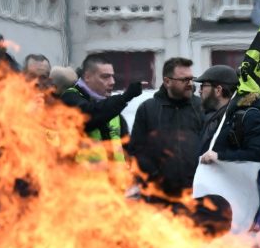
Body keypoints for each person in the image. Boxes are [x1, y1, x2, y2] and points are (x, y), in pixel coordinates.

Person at [128, 57, 204, 198]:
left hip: (196, 193)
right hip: (159, 194)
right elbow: (135, 149)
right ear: (167, 81)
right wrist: (154, 176)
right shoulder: (148, 108)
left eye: (191, 78)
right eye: (184, 80)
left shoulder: (201, 107)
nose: (190, 83)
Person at [61, 54, 142, 183]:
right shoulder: (70, 98)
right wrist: (125, 97)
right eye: (105, 77)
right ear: (87, 77)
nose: (112, 82)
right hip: (85, 190)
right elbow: (89, 116)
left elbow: (127, 149)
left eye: (112, 76)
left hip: (116, 188)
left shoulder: (110, 107)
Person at [197, 65, 260, 163]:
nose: (199, 90)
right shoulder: (213, 118)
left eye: (203, 85)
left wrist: (220, 157)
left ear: (218, 90)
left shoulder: (249, 116)